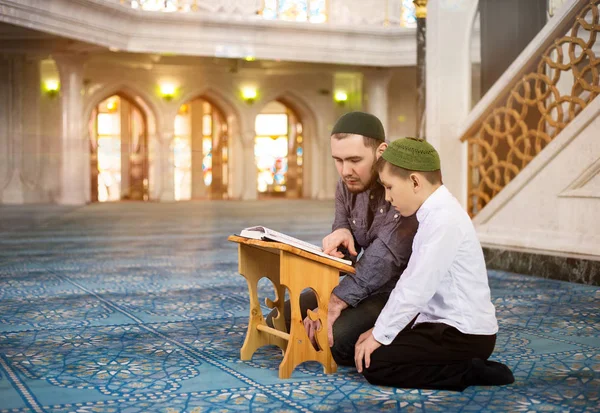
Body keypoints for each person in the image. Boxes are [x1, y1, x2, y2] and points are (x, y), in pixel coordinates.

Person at [354, 137, 515, 391]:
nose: (387, 197)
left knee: (376, 363)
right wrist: (379, 330)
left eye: (389, 187)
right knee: (366, 345)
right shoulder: (434, 212)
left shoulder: (443, 219)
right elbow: (411, 282)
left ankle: (470, 371)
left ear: (415, 181)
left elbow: (417, 287)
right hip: (441, 325)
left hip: (463, 335)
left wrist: (378, 334)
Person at [266, 111, 418, 366]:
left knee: (334, 339)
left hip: (396, 291)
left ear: (381, 151)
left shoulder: (400, 188)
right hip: (361, 282)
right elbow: (344, 228)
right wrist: (341, 235)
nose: (346, 170)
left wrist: (335, 303)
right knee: (278, 319)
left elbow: (384, 258)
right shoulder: (346, 185)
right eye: (338, 160)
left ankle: (402, 334)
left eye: (355, 160)